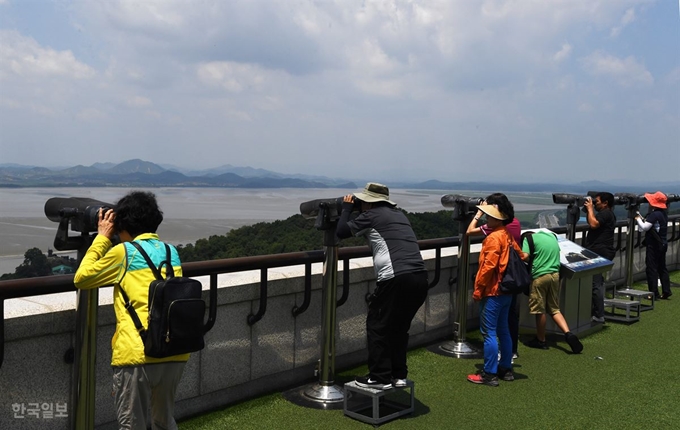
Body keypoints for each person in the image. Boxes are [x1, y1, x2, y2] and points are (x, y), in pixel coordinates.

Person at [74, 191, 187, 430]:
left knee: (131, 425)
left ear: (121, 225)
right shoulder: (170, 251)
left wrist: (103, 238)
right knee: (164, 422)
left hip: (136, 355)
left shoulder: (124, 253)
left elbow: (82, 278)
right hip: (173, 350)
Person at [336, 182, 429, 390]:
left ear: (369, 202)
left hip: (396, 278)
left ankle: (379, 377)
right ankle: (398, 375)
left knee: (377, 325)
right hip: (420, 277)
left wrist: (347, 209)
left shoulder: (372, 215)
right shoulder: (400, 215)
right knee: (398, 328)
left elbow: (342, 231)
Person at [466, 199, 525, 386]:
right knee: (503, 330)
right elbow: (522, 255)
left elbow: (488, 267)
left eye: (490, 214)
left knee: (489, 333)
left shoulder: (493, 238)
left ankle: (489, 373)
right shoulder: (506, 234)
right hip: (507, 291)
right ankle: (505, 369)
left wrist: (478, 290)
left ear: (497, 219)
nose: (488, 217)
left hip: (493, 291)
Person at [521, 230, 583, 353]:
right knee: (554, 309)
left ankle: (541, 340)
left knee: (540, 310)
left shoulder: (528, 240)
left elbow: (524, 256)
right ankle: (568, 334)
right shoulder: (551, 237)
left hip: (539, 276)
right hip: (555, 275)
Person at [583, 192, 616, 323]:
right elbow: (592, 221)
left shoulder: (606, 213)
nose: (595, 204)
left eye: (596, 202)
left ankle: (598, 315)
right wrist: (588, 210)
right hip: (601, 251)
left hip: (599, 252)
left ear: (605, 203)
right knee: (597, 282)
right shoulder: (608, 213)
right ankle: (597, 311)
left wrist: (590, 209)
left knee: (595, 284)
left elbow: (594, 224)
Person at [636, 191, 671, 299]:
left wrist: (637, 219)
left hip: (654, 245)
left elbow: (645, 228)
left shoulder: (654, 214)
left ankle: (653, 293)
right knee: (662, 267)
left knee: (651, 268)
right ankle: (666, 290)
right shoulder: (663, 214)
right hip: (663, 243)